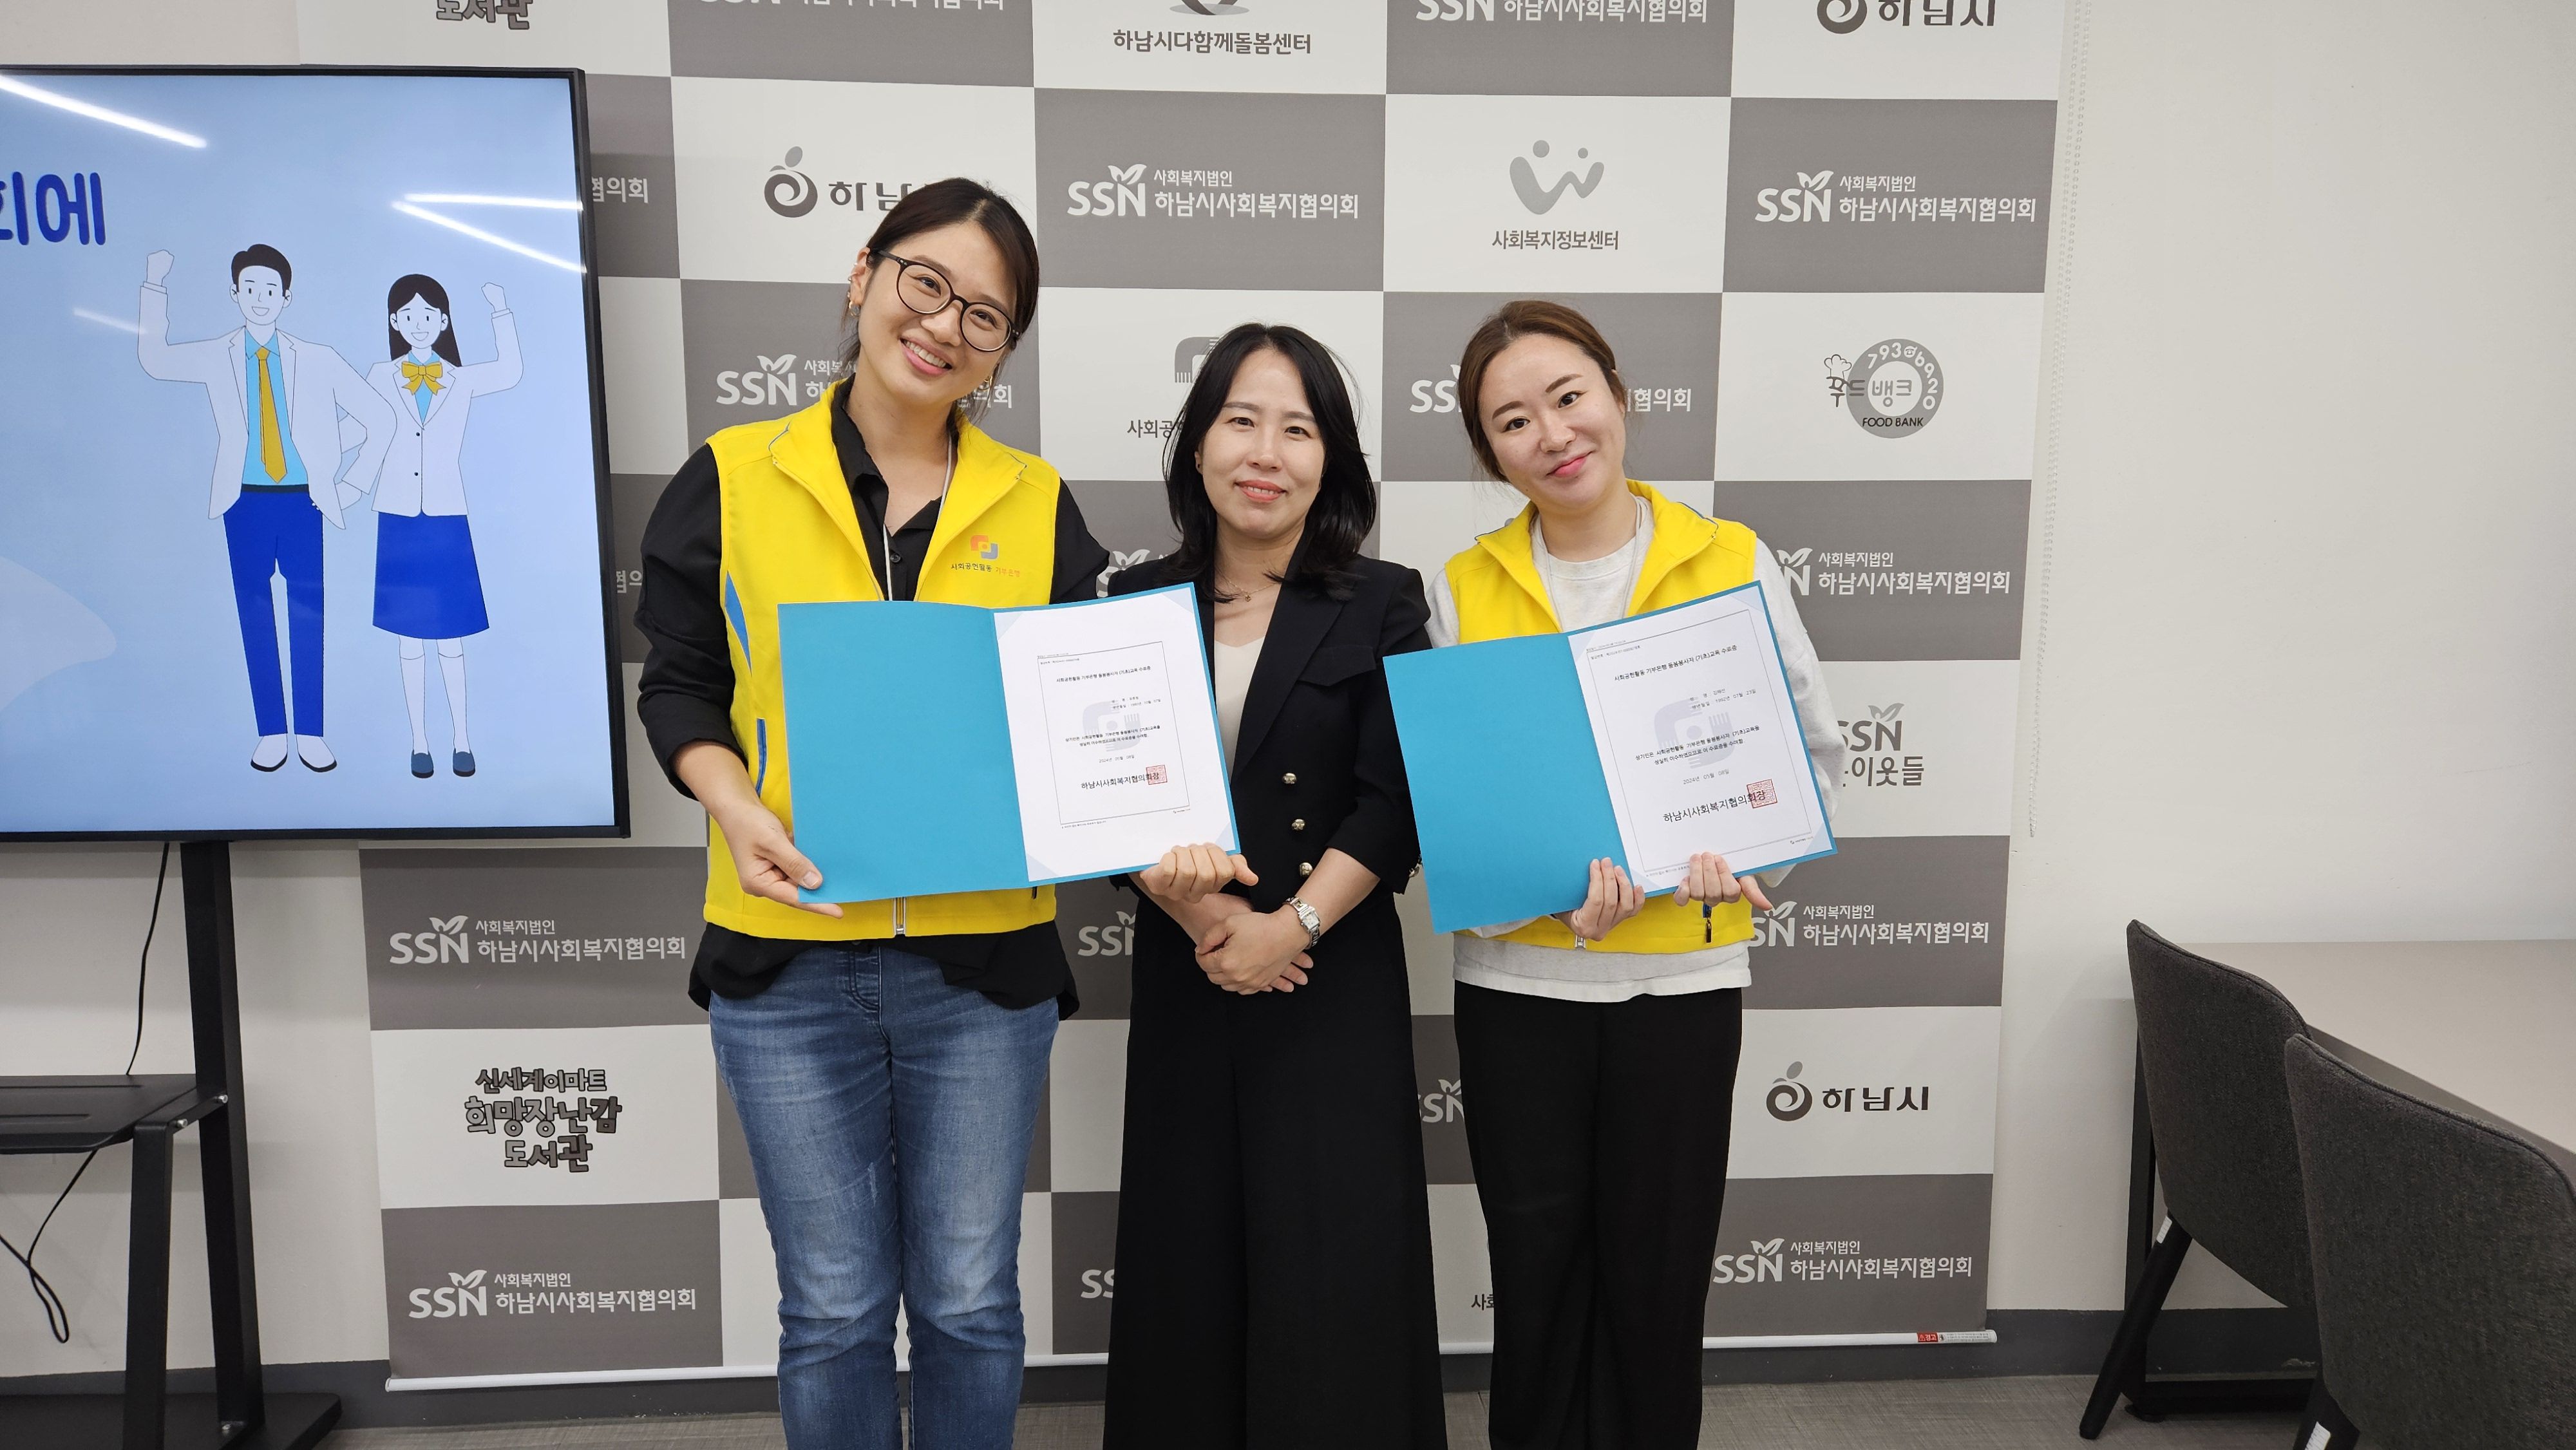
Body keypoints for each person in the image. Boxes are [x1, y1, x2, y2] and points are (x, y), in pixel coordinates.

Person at [632, 179, 1108, 1450]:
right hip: (787, 961)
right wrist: (731, 802)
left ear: (1002, 350)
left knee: (968, 1300)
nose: (946, 325)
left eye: (985, 315)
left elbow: (1085, 707)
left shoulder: (1036, 499)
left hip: (981, 972)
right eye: (926, 284)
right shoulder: (733, 475)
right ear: (864, 276)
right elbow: (679, 683)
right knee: (835, 1308)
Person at [1428, 301, 1845, 1450]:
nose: (1553, 433)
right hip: (1518, 987)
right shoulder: (1460, 586)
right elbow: (1459, 804)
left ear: (1618, 396)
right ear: (1489, 451)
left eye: (1569, 397)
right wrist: (1539, 879)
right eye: (1514, 420)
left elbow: (1810, 758)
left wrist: (1743, 853)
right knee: (1537, 1278)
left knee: (1658, 1288)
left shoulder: (1732, 559)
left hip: (1684, 985)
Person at [1101, 324, 1446, 1450]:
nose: (1265, 452)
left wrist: (1287, 926)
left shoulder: (1384, 600)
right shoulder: (1130, 601)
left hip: (1330, 973)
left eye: (1297, 429)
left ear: (1329, 458)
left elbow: (1396, 800)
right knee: (1188, 1253)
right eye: (1240, 420)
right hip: (1191, 968)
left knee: (1334, 1261)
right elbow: (1095, 795)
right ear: (1197, 444)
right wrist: (1212, 921)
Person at [136, 243, 395, 773]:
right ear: (235, 293)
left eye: (270, 289)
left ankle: (312, 733)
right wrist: (155, 284)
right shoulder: (218, 354)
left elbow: (381, 417)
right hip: (244, 502)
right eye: (250, 288)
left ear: (287, 297)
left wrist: (348, 480)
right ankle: (272, 731)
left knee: (308, 614)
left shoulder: (317, 358)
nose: (260, 298)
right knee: (254, 614)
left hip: (303, 502)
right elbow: (156, 360)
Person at [357, 273, 522, 779]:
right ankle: (419, 743)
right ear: (394, 321)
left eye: (428, 314)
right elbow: (361, 428)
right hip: (399, 516)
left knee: (452, 638)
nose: (418, 322)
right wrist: (316, 460)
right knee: (408, 640)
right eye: (408, 314)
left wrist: (500, 311)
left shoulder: (460, 378)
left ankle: (462, 741)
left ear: (444, 320)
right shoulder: (380, 375)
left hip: (447, 516)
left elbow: (510, 371)